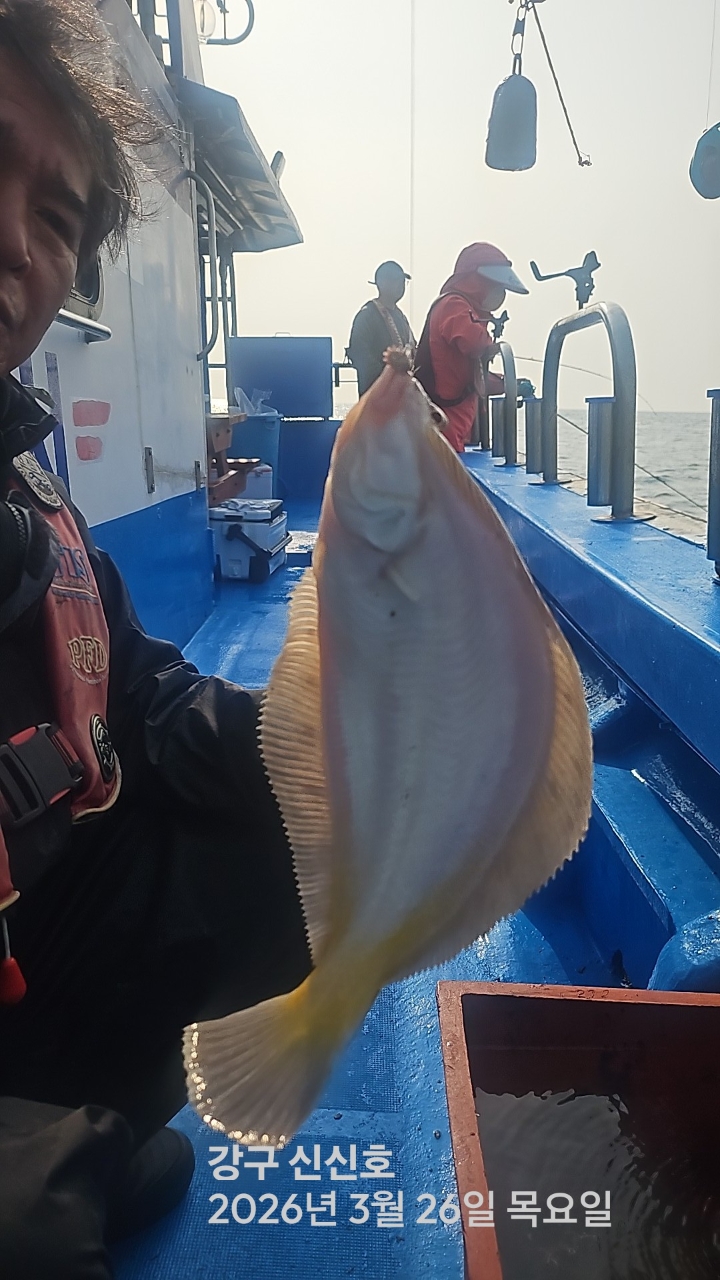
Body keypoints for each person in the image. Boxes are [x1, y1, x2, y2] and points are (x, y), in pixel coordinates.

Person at [0, 2, 311, 1275]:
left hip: (36, 929)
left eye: (55, 218)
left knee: (310, 836)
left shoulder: (31, 490)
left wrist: (297, 745)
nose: (13, 242)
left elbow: (137, 683)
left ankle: (75, 1118)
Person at [414, 242, 529, 453]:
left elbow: (471, 378)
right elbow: (475, 343)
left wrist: (508, 384)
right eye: (496, 286)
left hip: (452, 431)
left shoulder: (469, 311)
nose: (500, 293)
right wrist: (490, 344)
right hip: (442, 428)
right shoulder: (453, 305)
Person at [347, 260, 415, 395]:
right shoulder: (367, 315)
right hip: (377, 397)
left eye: (403, 282)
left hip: (401, 396)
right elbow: (360, 354)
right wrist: (387, 377)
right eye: (397, 280)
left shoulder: (401, 317)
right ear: (381, 283)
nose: (401, 286)